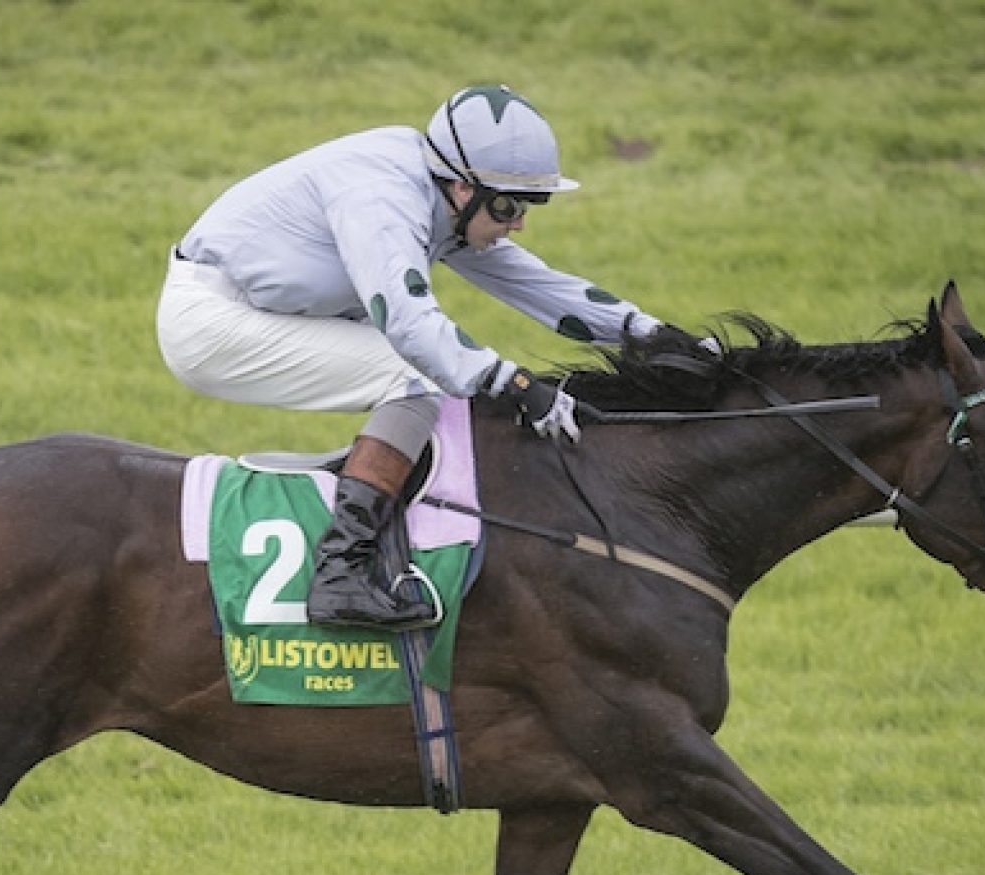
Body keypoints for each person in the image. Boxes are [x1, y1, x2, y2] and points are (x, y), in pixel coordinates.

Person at [158, 84, 674, 630]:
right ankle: (341, 572)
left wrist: (658, 336)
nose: (518, 222)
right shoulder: (383, 198)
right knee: (413, 377)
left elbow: (537, 285)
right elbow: (407, 321)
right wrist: (518, 384)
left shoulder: (441, 193)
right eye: (508, 206)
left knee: (432, 375)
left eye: (528, 206)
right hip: (211, 322)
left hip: (259, 309)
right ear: (462, 186)